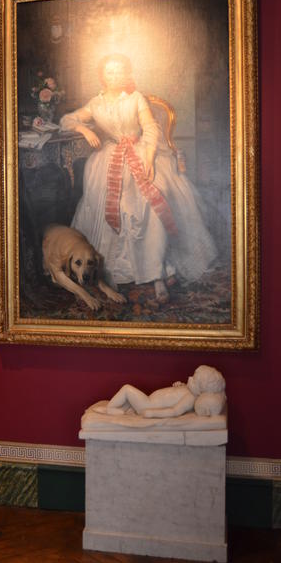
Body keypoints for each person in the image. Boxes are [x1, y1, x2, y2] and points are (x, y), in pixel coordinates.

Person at [60, 54, 217, 303]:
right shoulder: (96, 103)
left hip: (140, 152)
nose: (115, 77)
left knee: (150, 203)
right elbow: (67, 119)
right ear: (103, 76)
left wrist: (149, 158)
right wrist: (83, 129)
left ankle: (158, 271)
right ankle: (112, 269)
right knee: (111, 202)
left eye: (120, 71)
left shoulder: (135, 98)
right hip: (109, 157)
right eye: (110, 72)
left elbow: (151, 128)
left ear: (127, 74)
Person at [100, 365, 226, 419]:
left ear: (201, 391)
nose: (189, 378)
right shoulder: (188, 390)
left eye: (194, 381)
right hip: (148, 401)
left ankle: (110, 408)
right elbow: (175, 395)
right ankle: (120, 410)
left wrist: (152, 413)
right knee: (128, 400)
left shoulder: (190, 398)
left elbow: (174, 411)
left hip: (147, 405)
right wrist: (180, 386)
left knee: (127, 389)